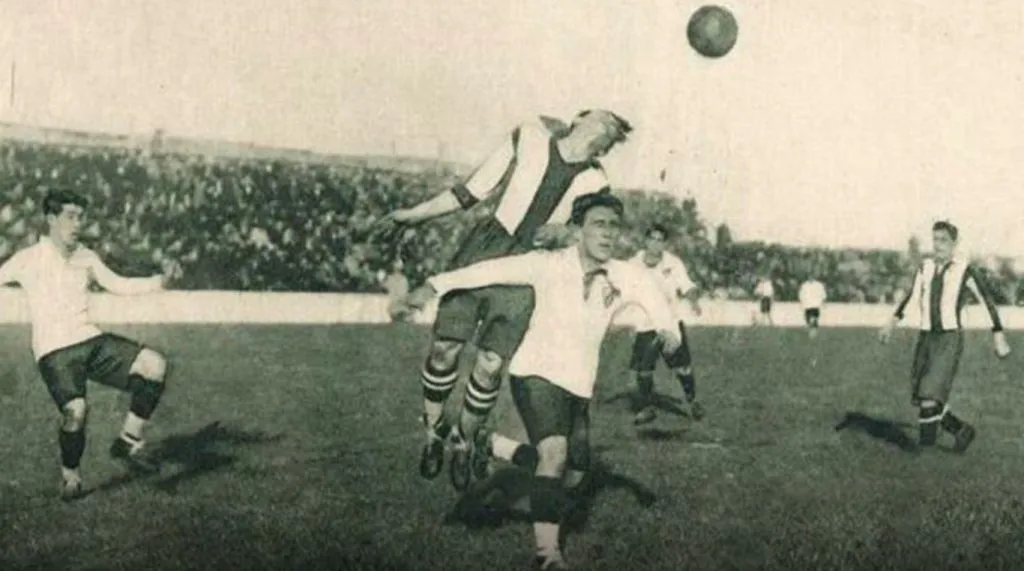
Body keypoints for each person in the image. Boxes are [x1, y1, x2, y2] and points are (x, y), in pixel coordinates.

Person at [395, 192, 680, 570]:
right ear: (577, 230)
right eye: (599, 224)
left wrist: (668, 330)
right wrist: (434, 285)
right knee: (554, 455)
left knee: (574, 476)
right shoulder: (546, 264)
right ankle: (547, 555)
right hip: (535, 374)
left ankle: (493, 444)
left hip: (578, 385)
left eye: (614, 226)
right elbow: (488, 271)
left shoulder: (626, 274)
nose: (608, 233)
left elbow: (656, 301)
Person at [381, 109, 633, 491]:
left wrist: (564, 235)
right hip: (484, 248)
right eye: (602, 119)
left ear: (609, 145)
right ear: (579, 118)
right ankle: (434, 431)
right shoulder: (529, 137)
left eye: (613, 130)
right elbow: (469, 192)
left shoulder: (596, 182)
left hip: (529, 269)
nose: (607, 128)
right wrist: (414, 216)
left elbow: (587, 235)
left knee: (490, 363)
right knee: (445, 349)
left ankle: (465, 439)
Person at [0, 188, 176, 500]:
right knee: (76, 411)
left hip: (90, 340)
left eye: (81, 217)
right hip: (55, 352)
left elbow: (118, 284)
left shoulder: (86, 257)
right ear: (51, 219)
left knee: (154, 365)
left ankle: (128, 439)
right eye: (70, 217)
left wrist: (159, 282)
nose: (78, 224)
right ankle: (71, 476)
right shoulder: (28, 259)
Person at [879, 220, 1010, 452]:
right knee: (923, 396)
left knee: (930, 396)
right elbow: (911, 298)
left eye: (944, 240)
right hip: (926, 337)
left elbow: (987, 301)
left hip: (949, 339)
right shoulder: (925, 267)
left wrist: (998, 335)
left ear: (954, 244)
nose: (938, 245)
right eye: (935, 239)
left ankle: (924, 455)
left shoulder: (964, 270)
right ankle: (961, 430)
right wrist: (891, 323)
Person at [627, 224, 705, 425]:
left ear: (664, 244)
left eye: (660, 240)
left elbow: (687, 286)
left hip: (670, 322)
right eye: (652, 239)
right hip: (645, 323)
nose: (655, 244)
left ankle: (692, 401)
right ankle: (647, 408)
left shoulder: (673, 263)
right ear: (646, 241)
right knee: (644, 369)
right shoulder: (633, 264)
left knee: (683, 368)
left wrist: (694, 301)